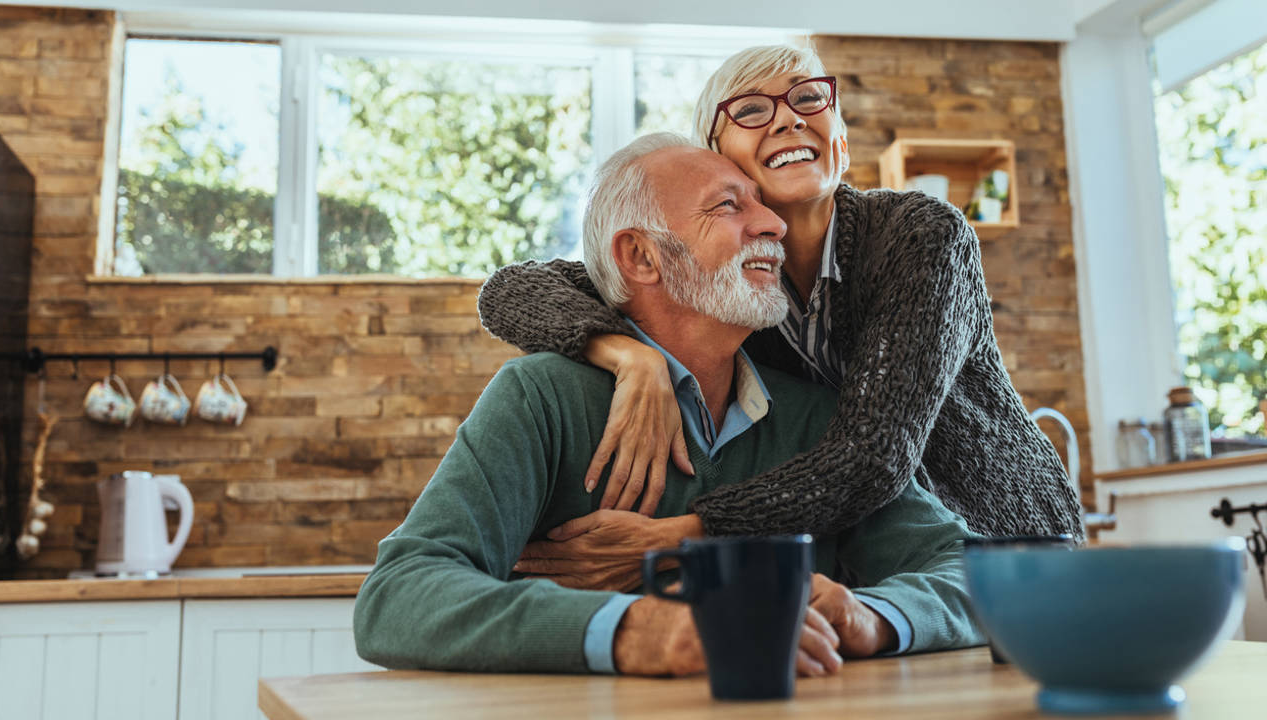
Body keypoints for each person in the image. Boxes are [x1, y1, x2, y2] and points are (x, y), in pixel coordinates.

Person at [353, 133, 984, 676]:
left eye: (762, 205)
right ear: (640, 256)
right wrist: (638, 630)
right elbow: (398, 597)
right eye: (729, 206)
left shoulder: (817, 418)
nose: (773, 225)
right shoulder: (540, 398)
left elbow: (970, 574)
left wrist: (869, 613)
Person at [477, 44, 1083, 591]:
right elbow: (513, 288)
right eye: (750, 110)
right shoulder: (723, 283)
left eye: (808, 98)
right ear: (718, 161)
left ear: (840, 141)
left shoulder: (921, 235)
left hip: (1000, 543)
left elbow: (872, 457)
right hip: (862, 567)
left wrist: (678, 535)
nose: (789, 117)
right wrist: (627, 354)